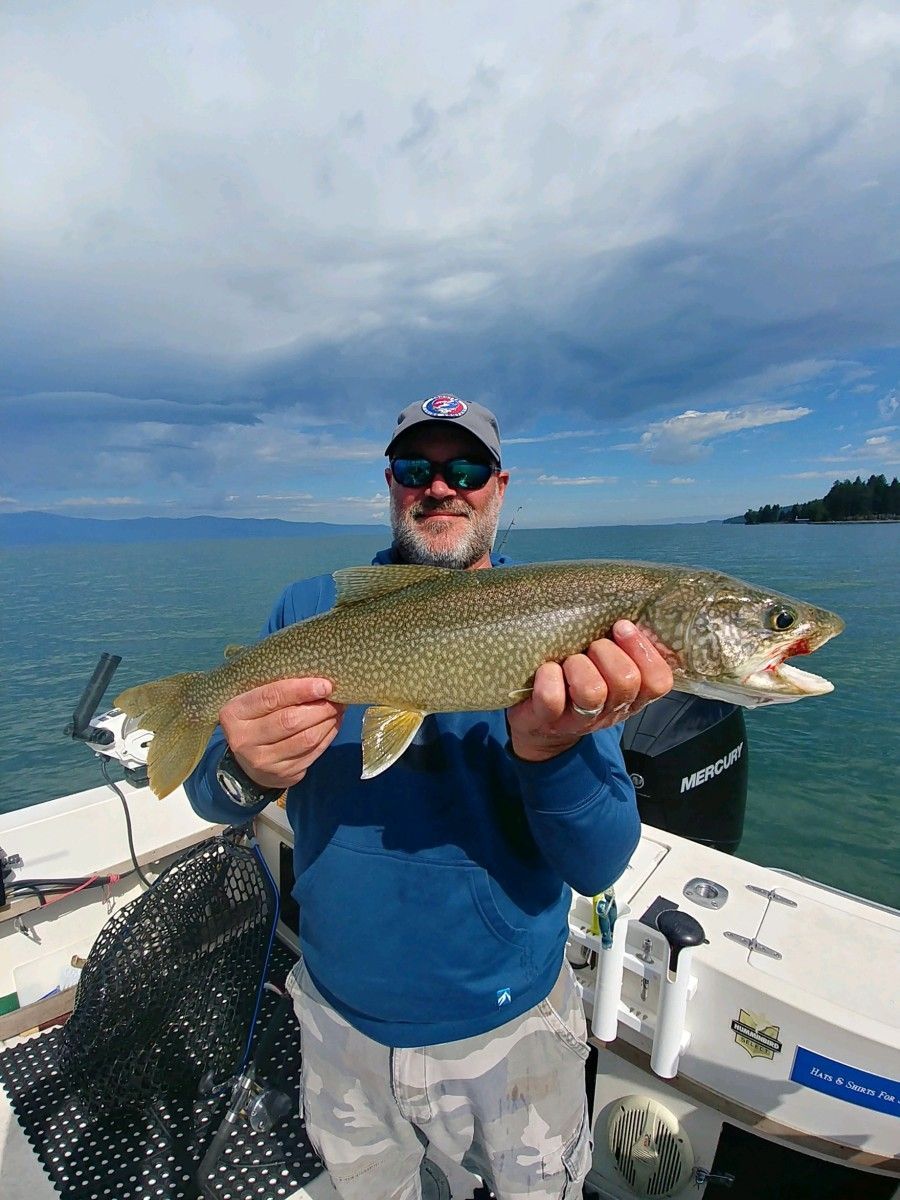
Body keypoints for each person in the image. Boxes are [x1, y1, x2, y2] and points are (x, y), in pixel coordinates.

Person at [185, 393, 674, 1200]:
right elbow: (214, 796)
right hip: (338, 1021)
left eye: (466, 468)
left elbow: (599, 864)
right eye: (417, 468)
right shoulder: (310, 610)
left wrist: (551, 751)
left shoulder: (570, 630)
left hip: (511, 1025)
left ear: (500, 486)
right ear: (390, 483)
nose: (440, 487)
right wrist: (248, 770)